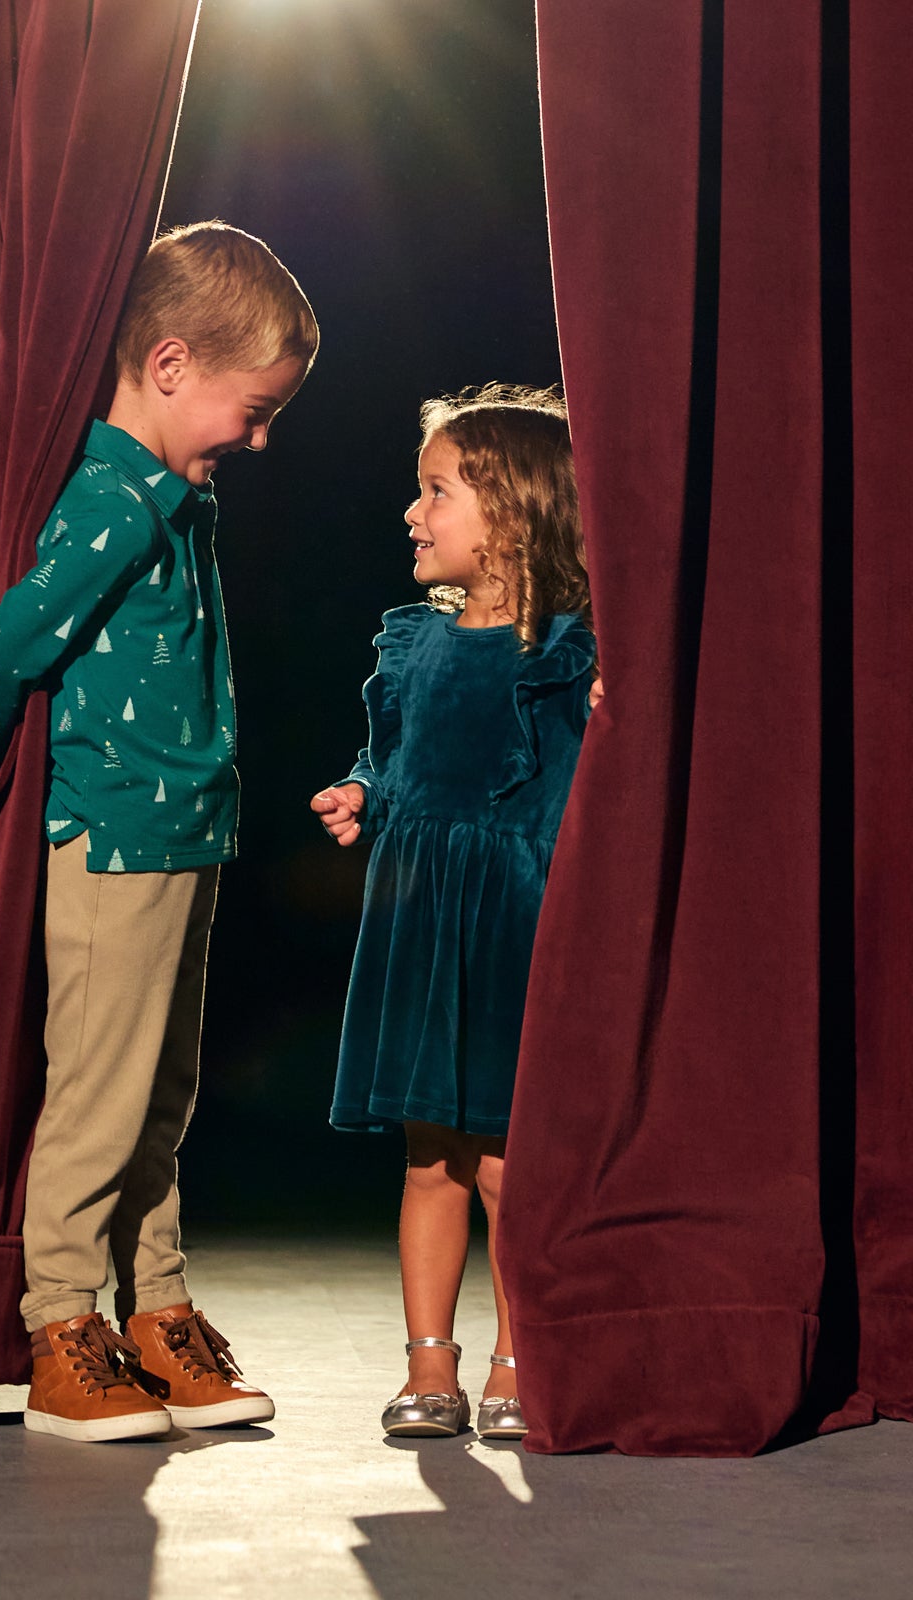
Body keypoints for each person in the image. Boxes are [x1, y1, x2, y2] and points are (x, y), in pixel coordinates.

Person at [0, 222, 317, 1442]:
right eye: (252, 409)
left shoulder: (173, 500)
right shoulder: (113, 498)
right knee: (101, 1095)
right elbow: (5, 648)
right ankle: (62, 1323)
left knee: (162, 1092)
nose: (260, 440)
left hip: (188, 829)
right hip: (114, 833)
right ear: (169, 366)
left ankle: (153, 1308)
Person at [311, 384, 599, 1441]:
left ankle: (520, 1360)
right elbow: (389, 760)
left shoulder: (571, 651)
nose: (410, 512)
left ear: (514, 515)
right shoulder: (408, 645)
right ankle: (427, 1364)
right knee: (427, 1153)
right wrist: (359, 794)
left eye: (435, 491)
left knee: (505, 1161)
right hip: (419, 915)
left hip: (517, 923)